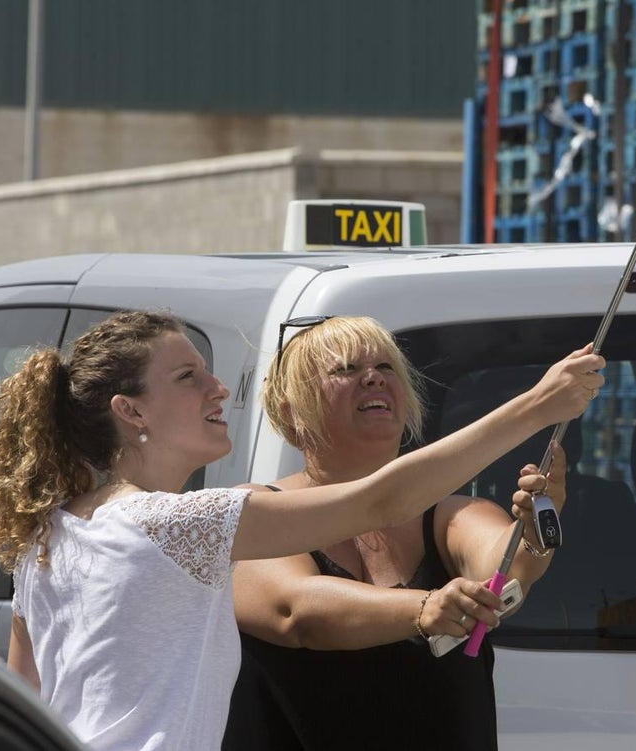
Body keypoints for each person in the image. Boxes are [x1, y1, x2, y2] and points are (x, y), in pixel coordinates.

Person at [0, 309, 606, 751]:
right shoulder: (175, 524)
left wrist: (532, 532)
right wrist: (536, 406)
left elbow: (20, 706)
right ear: (129, 410)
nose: (217, 388)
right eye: (187, 376)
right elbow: (376, 507)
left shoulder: (46, 536)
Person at [222, 316, 590, 751]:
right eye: (344, 369)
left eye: (386, 367)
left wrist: (532, 532)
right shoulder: (252, 510)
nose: (373, 378)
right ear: (289, 408)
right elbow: (295, 611)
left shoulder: (450, 514)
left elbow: (504, 569)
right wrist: (425, 607)